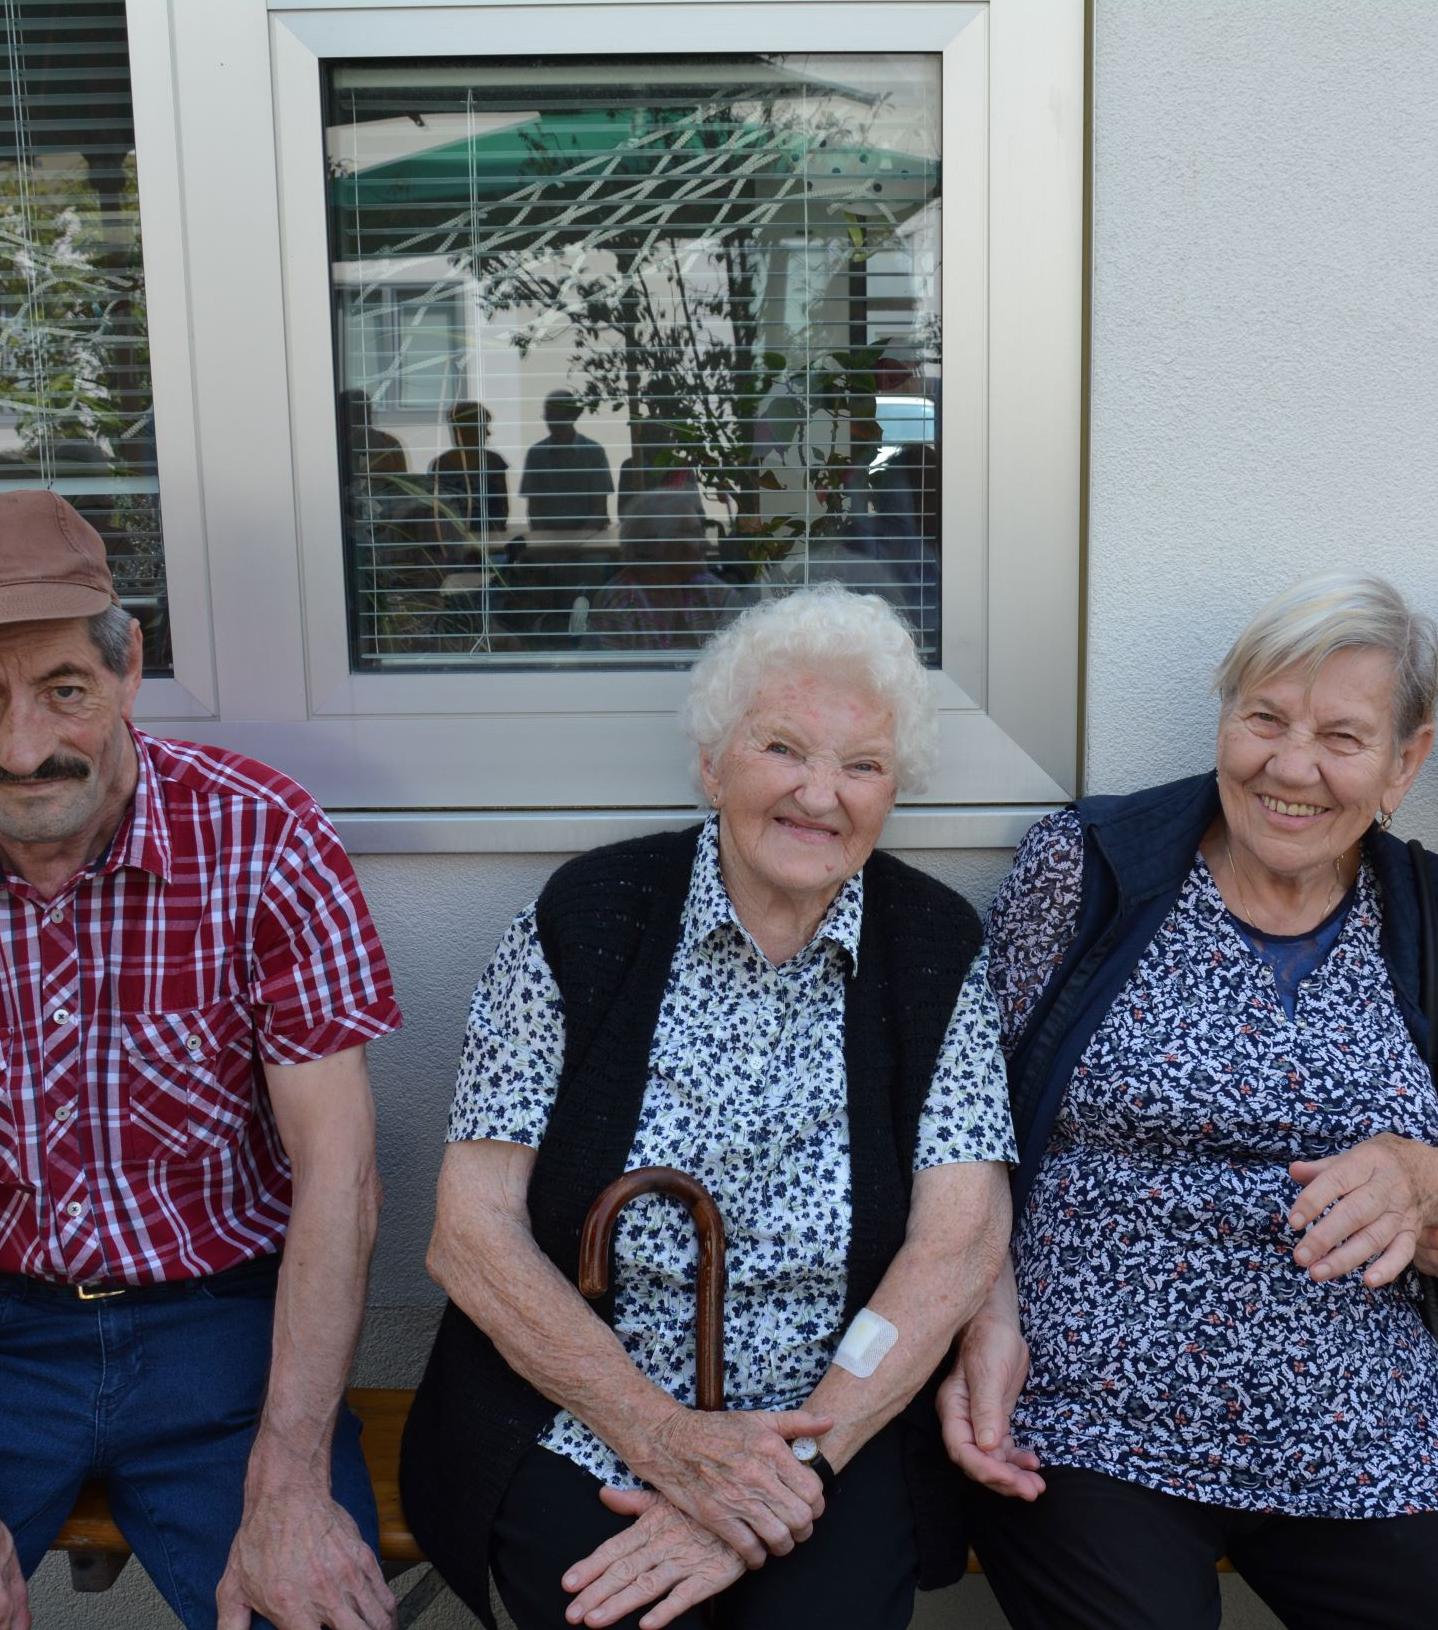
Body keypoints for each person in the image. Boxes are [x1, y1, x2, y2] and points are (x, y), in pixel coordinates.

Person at [0, 488, 403, 1630]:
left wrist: (289, 1481)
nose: (25, 747)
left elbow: (337, 1172)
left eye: (64, 691)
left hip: (227, 1332)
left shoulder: (266, 837)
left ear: (129, 665)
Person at [943, 572, 1438, 1630]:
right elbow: (960, 1119)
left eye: (1342, 736)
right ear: (1225, 720)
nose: (1291, 767)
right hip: (1091, 1416)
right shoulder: (1092, 867)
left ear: (1405, 762)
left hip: (1357, 1432)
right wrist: (985, 1310)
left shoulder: (1433, 915)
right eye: (1264, 719)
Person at [400, 584, 1015, 1630]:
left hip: (832, 1422)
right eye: (783, 749)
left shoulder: (931, 948)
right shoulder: (585, 921)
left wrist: (784, 1469)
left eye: (862, 766)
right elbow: (471, 1235)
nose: (820, 795)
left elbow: (957, 1243)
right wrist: (671, 1445)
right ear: (711, 762)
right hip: (581, 1411)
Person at [588, 487, 746, 654]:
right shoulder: (619, 608)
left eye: (701, 532)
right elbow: (611, 677)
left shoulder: (712, 594)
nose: (705, 544)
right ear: (654, 545)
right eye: (693, 534)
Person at [520, 389, 616, 532]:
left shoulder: (594, 451)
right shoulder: (536, 454)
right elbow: (534, 509)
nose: (553, 422)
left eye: (558, 416)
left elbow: (599, 508)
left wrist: (581, 542)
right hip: (548, 537)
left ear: (573, 416)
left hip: (588, 536)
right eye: (550, 416)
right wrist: (544, 541)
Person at [429, 400, 510, 539]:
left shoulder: (493, 462)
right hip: (454, 542)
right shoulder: (442, 465)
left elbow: (502, 510)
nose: (488, 433)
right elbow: (436, 510)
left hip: (488, 540)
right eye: (483, 427)